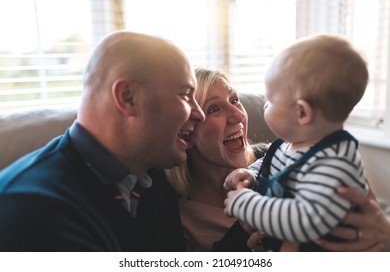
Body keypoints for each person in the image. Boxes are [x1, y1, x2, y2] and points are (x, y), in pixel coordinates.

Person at [0, 30, 205, 251]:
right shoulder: (32, 209)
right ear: (128, 97)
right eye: (185, 94)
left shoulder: (151, 178)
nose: (199, 114)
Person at [224, 34, 370, 251]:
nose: (264, 105)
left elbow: (305, 220)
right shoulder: (289, 145)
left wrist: (245, 204)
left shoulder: (333, 163)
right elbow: (271, 167)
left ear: (302, 112)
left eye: (270, 100)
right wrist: (251, 176)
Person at [164, 67, 269, 251]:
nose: (239, 115)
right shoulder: (171, 212)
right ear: (187, 131)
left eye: (234, 100)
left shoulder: (277, 160)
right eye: (214, 109)